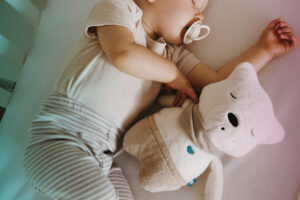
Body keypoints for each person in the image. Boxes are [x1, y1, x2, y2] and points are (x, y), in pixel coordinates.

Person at [23, 0, 298, 199]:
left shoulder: (171, 54)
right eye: (195, 3)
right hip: (58, 141)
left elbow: (218, 82)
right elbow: (123, 54)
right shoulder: (120, 10)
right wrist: (175, 76)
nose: (200, 15)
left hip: (101, 158)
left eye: (202, 11)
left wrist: (263, 50)